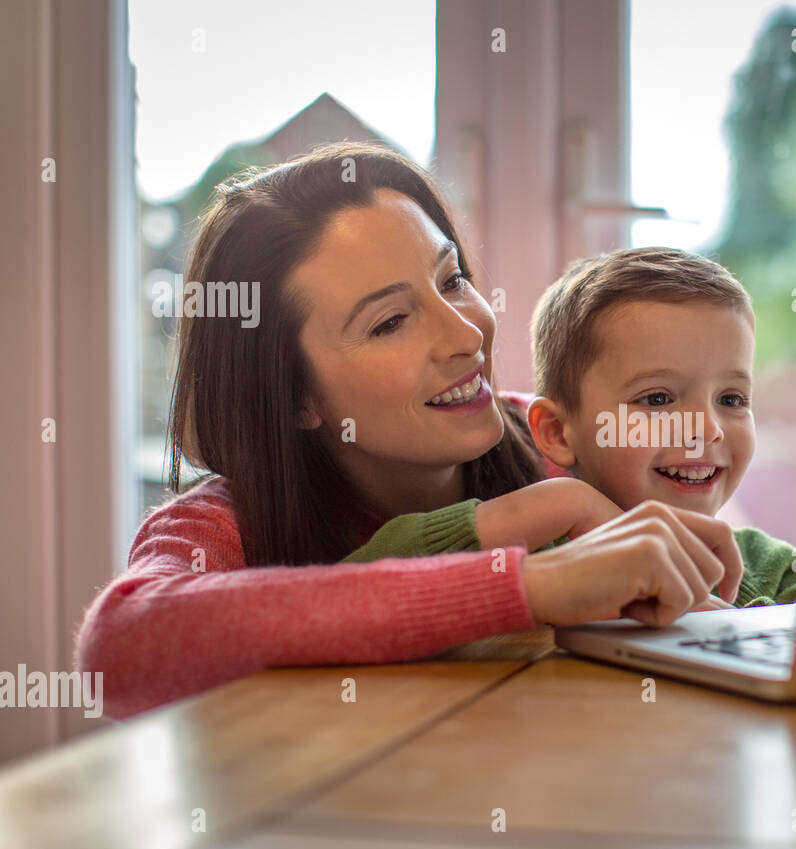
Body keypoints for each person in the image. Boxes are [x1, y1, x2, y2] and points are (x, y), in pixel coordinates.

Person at [73, 143, 741, 720]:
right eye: (390, 322)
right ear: (294, 396)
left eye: (451, 279)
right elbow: (119, 648)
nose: (466, 333)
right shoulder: (226, 524)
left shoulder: (562, 436)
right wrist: (528, 581)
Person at [346, 246, 796, 607]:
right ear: (558, 433)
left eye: (731, 399)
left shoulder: (772, 569)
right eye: (657, 399)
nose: (706, 429)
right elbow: (358, 581)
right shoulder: (529, 565)